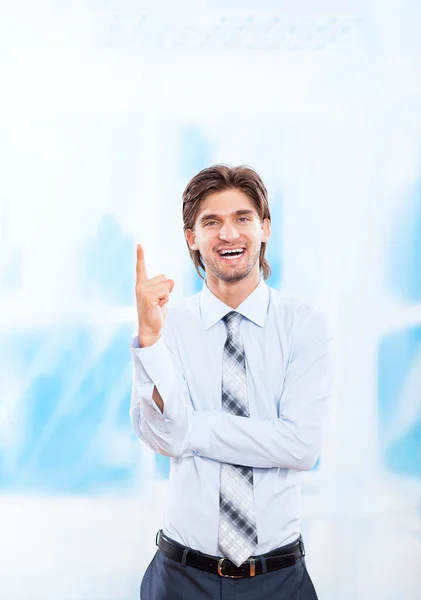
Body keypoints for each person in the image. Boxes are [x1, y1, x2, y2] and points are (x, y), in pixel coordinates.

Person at [130, 164, 334, 600]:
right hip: (179, 577)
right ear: (192, 237)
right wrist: (149, 341)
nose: (229, 234)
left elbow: (301, 447)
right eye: (211, 222)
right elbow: (160, 435)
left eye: (242, 218)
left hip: (279, 580)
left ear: (264, 228)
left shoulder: (304, 326)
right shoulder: (169, 325)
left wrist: (196, 428)